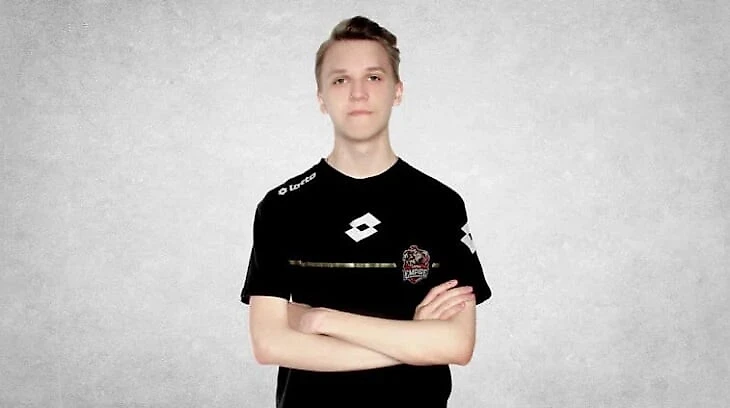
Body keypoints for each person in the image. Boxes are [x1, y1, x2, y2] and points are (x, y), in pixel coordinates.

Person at [240, 15, 492, 408]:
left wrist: (323, 320)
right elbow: (269, 343)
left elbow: (457, 345)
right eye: (340, 80)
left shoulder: (439, 205)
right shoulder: (281, 208)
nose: (358, 93)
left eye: (373, 77)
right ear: (321, 98)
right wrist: (412, 342)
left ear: (397, 91)